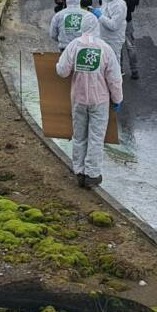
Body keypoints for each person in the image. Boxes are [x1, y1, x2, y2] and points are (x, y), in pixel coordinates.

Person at [56, 15, 123, 188]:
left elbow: (62, 71)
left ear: (82, 26)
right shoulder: (105, 48)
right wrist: (117, 99)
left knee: (79, 136)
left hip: (78, 99)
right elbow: (114, 78)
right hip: (99, 101)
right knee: (96, 137)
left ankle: (79, 171)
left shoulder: (74, 46)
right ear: (97, 27)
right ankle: (92, 175)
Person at [109, 0, 140, 79]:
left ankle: (134, 70)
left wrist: (122, 4)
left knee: (130, 46)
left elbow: (136, 1)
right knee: (117, 47)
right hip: (114, 22)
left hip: (127, 20)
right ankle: (119, 70)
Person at [95, 0, 128, 66]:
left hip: (114, 40)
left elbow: (114, 25)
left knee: (114, 64)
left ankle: (116, 79)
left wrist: (100, 16)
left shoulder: (119, 5)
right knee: (105, 64)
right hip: (104, 38)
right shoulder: (107, 1)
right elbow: (104, 14)